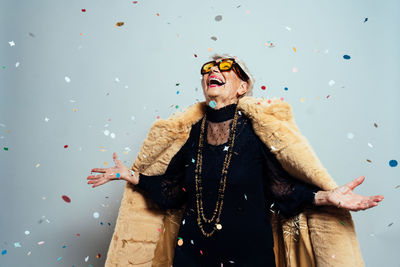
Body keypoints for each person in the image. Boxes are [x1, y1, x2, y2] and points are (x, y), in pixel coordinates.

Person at [87, 54, 384, 267]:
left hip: (249, 255)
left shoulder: (255, 133)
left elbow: (282, 190)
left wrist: (326, 196)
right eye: (208, 67)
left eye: (226, 66)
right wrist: (131, 176)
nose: (214, 70)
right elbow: (173, 190)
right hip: (192, 253)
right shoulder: (192, 134)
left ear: (242, 87)